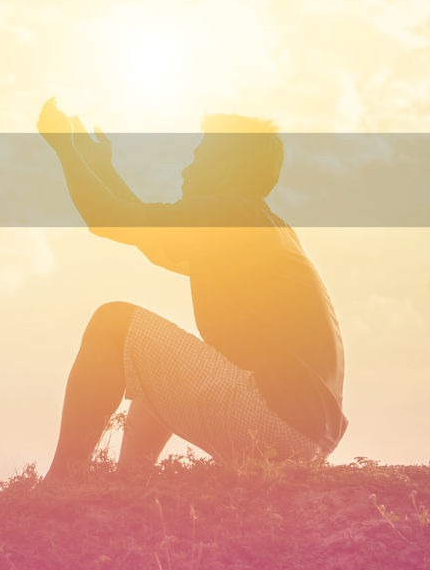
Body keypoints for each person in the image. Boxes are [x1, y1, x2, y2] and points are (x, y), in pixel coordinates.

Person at [36, 98, 347, 480]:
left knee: (112, 323)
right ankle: (130, 482)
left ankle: (62, 480)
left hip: (276, 420)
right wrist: (100, 168)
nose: (186, 170)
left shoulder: (230, 213)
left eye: (199, 158)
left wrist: (65, 149)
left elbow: (109, 219)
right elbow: (141, 231)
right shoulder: (261, 226)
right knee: (150, 360)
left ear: (226, 168)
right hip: (305, 436)